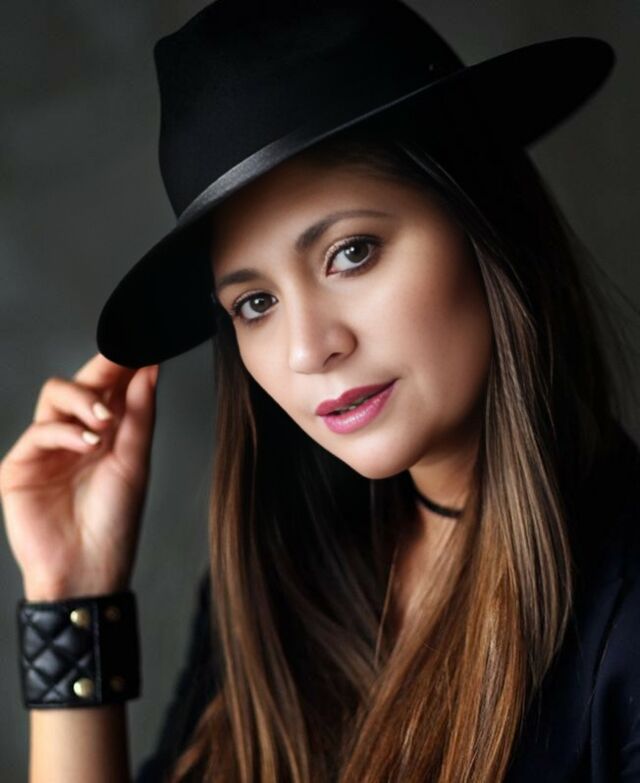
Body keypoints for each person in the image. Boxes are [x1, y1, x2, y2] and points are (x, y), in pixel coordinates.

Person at [1, 1, 638, 781]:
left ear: (482, 218)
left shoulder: (621, 612)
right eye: (254, 303)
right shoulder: (284, 581)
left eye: (351, 252)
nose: (308, 349)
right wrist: (71, 597)